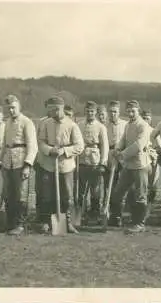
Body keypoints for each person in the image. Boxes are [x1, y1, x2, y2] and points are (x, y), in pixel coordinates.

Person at [37, 96, 84, 234]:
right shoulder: (46, 124)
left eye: (53, 110)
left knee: (67, 196)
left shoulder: (72, 125)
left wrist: (64, 150)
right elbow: (40, 142)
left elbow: (80, 146)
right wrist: (49, 150)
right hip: (49, 164)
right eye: (50, 111)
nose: (51, 113)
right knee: (47, 195)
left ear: (59, 109)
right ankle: (47, 222)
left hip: (66, 165)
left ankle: (68, 222)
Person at [108, 100, 151, 234]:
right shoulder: (128, 125)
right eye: (128, 111)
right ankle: (116, 218)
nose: (131, 113)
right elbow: (123, 140)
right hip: (128, 165)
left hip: (140, 165)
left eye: (133, 111)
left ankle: (139, 223)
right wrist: (117, 149)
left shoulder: (143, 125)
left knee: (140, 194)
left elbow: (138, 145)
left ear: (138, 111)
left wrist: (122, 155)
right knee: (118, 191)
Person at [0, 95, 38, 235]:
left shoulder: (27, 122)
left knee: (21, 194)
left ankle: (20, 224)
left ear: (19, 107)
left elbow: (32, 146)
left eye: (13, 108)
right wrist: (1, 159)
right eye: (8, 108)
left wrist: (27, 165)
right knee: (9, 194)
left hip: (21, 161)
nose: (11, 110)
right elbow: (5, 143)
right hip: (7, 162)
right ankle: (10, 223)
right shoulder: (8, 122)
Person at [77, 101, 109, 224]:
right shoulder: (79, 125)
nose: (90, 113)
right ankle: (81, 213)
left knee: (95, 189)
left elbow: (105, 146)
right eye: (88, 111)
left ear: (95, 112)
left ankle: (94, 214)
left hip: (95, 160)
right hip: (82, 159)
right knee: (80, 189)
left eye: (92, 111)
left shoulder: (101, 127)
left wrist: (103, 163)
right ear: (85, 111)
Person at [104, 100, 128, 211]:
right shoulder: (104, 125)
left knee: (121, 185)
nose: (112, 114)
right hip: (109, 155)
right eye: (110, 111)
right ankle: (107, 209)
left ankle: (118, 212)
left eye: (115, 111)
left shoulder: (125, 125)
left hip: (122, 157)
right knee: (109, 185)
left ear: (119, 112)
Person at [34, 99, 52, 225]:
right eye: (49, 108)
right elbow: (36, 142)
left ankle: (52, 215)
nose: (51, 110)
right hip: (41, 159)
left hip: (54, 161)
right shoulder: (41, 122)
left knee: (51, 190)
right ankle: (40, 214)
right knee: (40, 189)